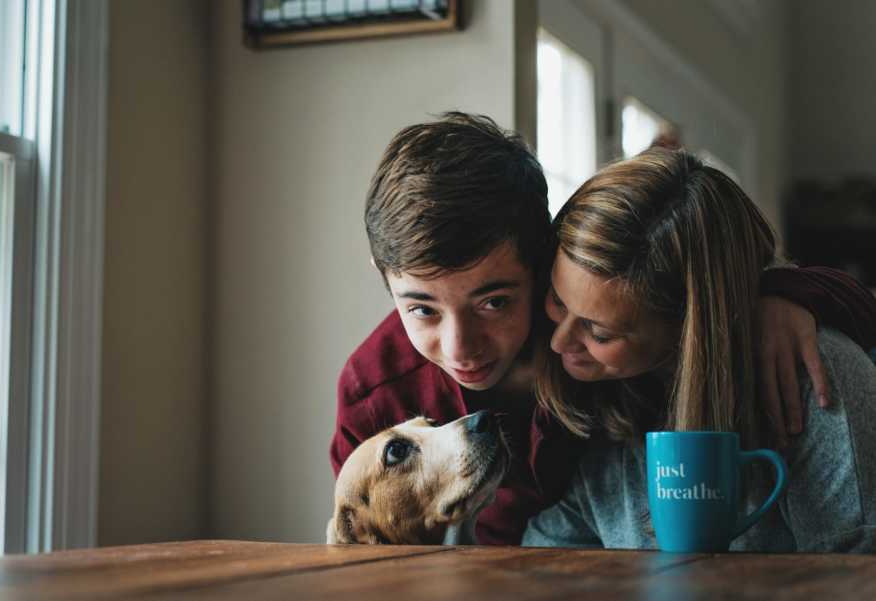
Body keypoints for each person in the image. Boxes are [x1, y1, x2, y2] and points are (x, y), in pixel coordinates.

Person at [331, 113, 876, 545]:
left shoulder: (595, 349)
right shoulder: (374, 394)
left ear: (541, 262)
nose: (460, 347)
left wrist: (782, 293)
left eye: (494, 302)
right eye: (422, 309)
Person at [523, 148, 876, 552]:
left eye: (599, 333)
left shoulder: (812, 375)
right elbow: (548, 551)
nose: (559, 341)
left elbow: (857, 570)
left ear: (688, 328)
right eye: (557, 299)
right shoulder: (598, 400)